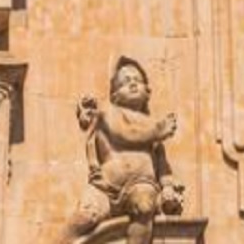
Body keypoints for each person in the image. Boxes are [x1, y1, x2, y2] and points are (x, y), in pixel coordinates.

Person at [67, 57, 184, 244]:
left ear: (147, 92)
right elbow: (123, 134)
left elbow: (162, 166)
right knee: (85, 216)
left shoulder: (152, 127)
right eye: (125, 82)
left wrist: (168, 187)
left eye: (137, 80)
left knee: (144, 206)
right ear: (114, 95)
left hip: (142, 185)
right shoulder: (109, 115)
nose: (132, 84)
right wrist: (157, 131)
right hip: (105, 188)